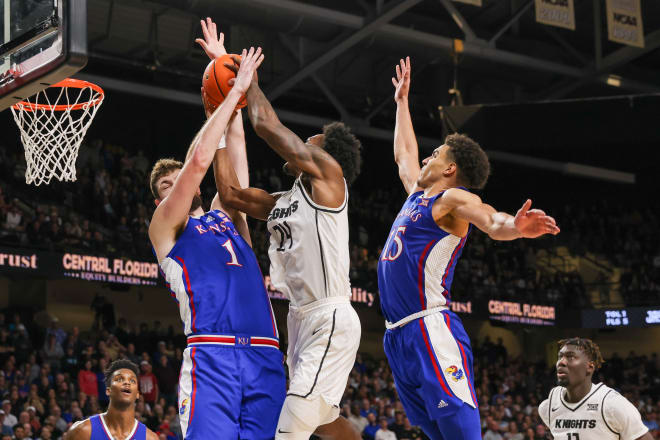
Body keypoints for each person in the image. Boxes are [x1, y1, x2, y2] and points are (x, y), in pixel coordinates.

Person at [377, 56, 561, 440]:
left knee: (460, 432)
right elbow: (403, 156)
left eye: (437, 154)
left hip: (429, 327)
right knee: (434, 434)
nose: (428, 156)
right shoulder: (417, 196)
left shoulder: (453, 200)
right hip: (397, 334)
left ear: (450, 170)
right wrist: (401, 103)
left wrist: (517, 226)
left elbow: (492, 221)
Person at [214, 44, 362, 440]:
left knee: (293, 422)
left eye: (310, 142)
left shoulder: (330, 180)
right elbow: (230, 195)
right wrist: (218, 127)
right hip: (298, 318)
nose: (301, 144)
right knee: (321, 417)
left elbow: (266, 126)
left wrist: (249, 83)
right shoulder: (284, 201)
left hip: (330, 314)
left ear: (325, 155)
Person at [148, 42, 285, 439]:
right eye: (166, 187)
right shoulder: (165, 228)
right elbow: (197, 162)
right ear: (161, 200)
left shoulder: (225, 214)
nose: (176, 187)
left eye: (179, 183)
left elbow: (234, 145)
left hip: (265, 353)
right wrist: (225, 98)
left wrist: (223, 76)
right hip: (213, 354)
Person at [538, 337, 652, 440]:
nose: (561, 362)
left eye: (570, 357)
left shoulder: (611, 404)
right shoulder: (549, 405)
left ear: (590, 366)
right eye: (560, 357)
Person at [63, 359, 158, 440]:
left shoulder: (150, 437)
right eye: (119, 379)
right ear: (108, 390)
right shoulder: (83, 430)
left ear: (137, 394)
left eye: (132, 381)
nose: (126, 383)